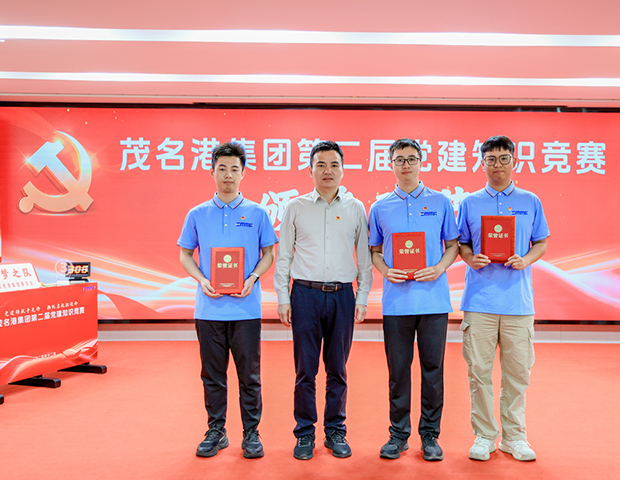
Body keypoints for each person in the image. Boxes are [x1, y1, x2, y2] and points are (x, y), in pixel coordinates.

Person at [273, 140, 373, 460]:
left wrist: (362, 297)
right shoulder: (296, 207)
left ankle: (335, 430)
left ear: (343, 170)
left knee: (337, 369)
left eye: (334, 165)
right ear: (310, 170)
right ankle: (305, 433)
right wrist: (283, 298)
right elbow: (284, 256)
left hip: (343, 296)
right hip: (304, 295)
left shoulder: (355, 208)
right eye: (321, 165)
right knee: (305, 370)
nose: (327, 171)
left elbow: (364, 259)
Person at [178, 142, 277, 459]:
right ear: (212, 172)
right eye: (222, 168)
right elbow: (185, 254)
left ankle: (251, 433)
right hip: (209, 309)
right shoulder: (197, 214)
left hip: (246, 309)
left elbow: (268, 254)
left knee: (249, 376)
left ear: (243, 173)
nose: (228, 175)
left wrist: (252, 278)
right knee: (212, 375)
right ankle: (216, 431)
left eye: (235, 169)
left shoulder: (257, 213)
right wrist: (202, 279)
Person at [457, 135, 549, 462]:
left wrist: (526, 259)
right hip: (479, 302)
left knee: (518, 374)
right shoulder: (469, 203)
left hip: (517, 304)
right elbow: (462, 244)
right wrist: (470, 259)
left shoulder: (530, 200)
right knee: (479, 373)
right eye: (491, 159)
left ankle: (514, 437)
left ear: (514, 161)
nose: (497, 164)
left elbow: (541, 242)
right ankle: (484, 435)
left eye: (503, 158)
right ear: (482, 163)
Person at [368, 138, 459, 461]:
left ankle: (430, 435)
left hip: (434, 302)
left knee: (433, 371)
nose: (405, 165)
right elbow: (375, 251)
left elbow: (453, 246)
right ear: (390, 164)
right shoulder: (379, 207)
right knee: (398, 371)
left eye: (411, 159)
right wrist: (385, 270)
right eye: (399, 159)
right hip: (396, 303)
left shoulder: (441, 202)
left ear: (421, 162)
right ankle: (398, 434)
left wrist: (439, 268)